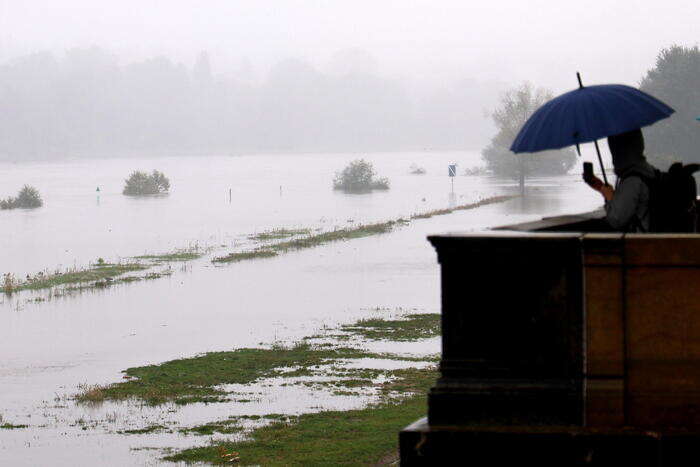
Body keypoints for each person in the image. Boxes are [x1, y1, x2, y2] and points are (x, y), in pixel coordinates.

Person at [587, 128, 658, 232]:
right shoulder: (647, 170)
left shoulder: (633, 180)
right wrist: (601, 187)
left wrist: (610, 196)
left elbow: (616, 220)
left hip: (639, 242)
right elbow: (630, 203)